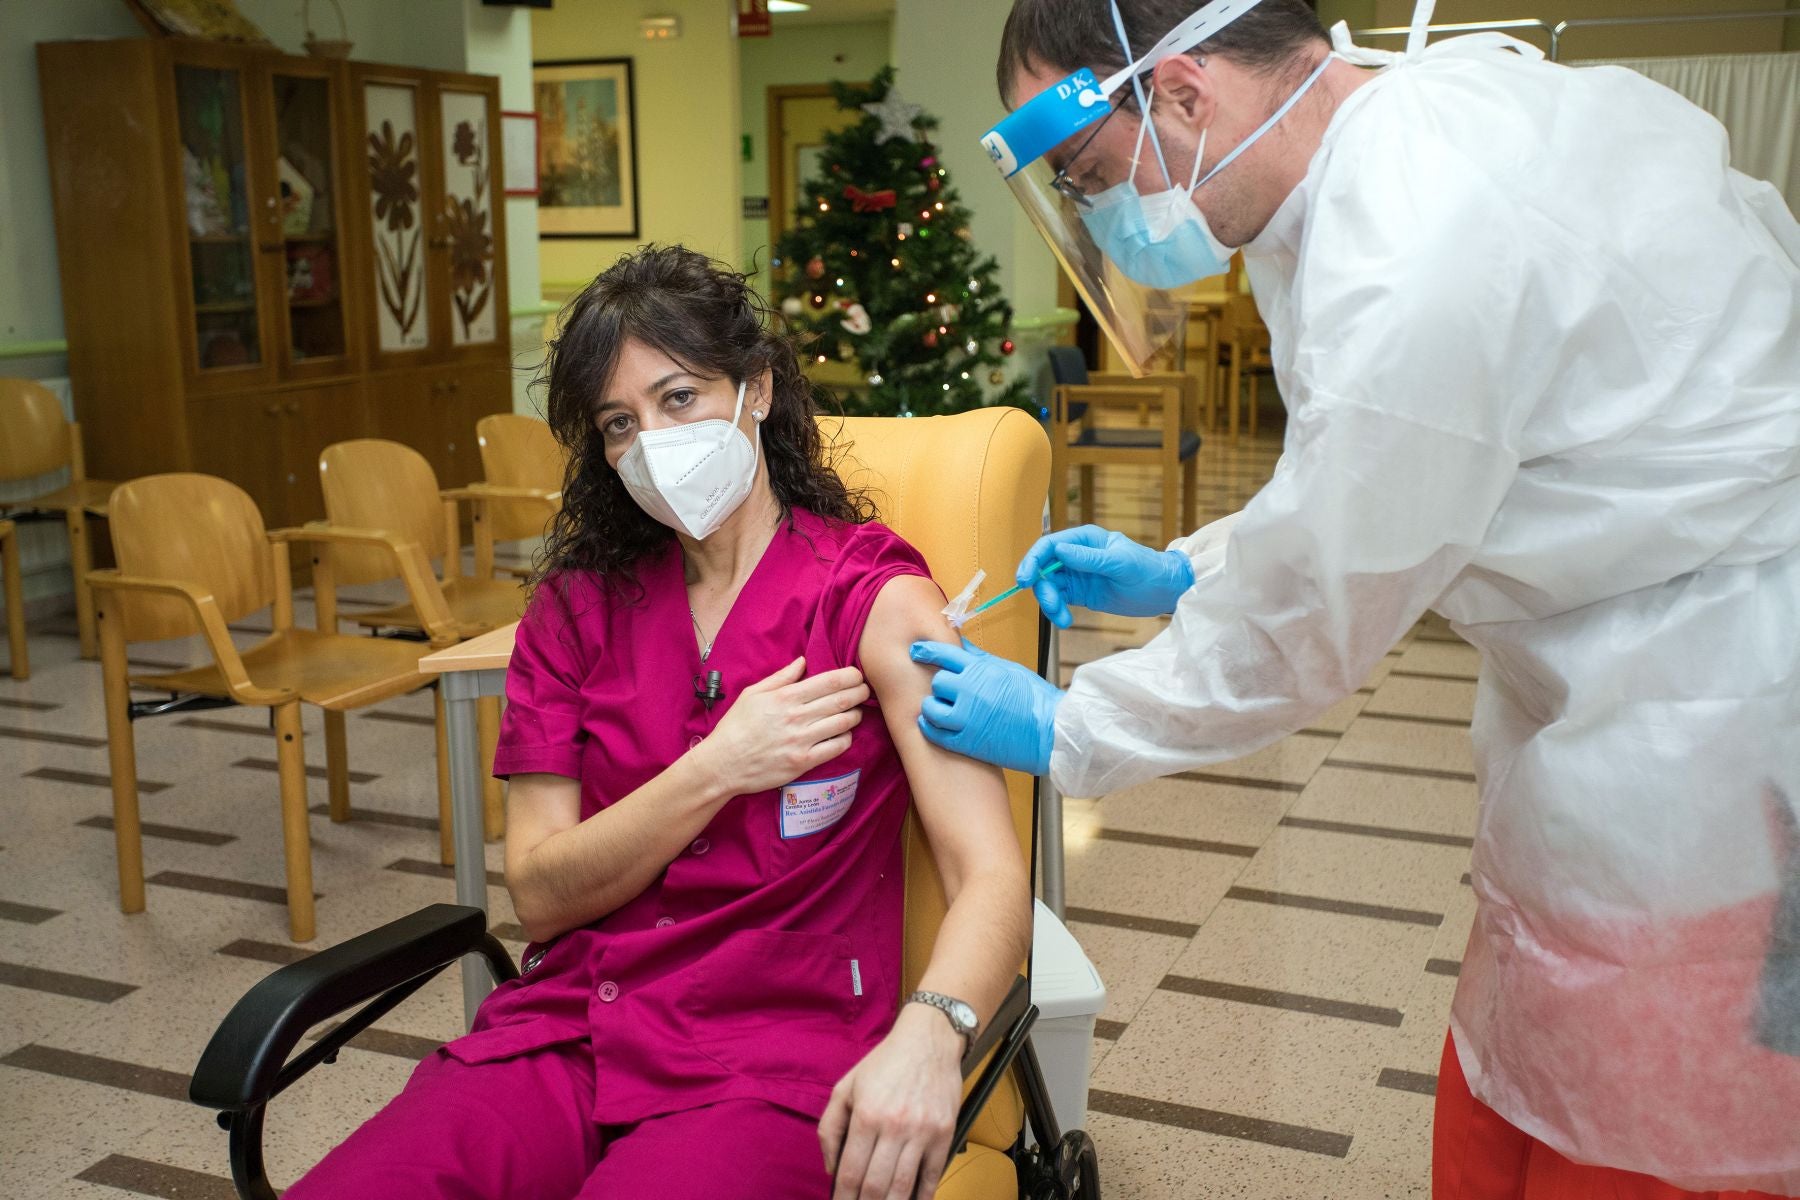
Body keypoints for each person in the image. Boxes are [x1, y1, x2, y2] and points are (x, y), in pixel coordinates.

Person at [913, 0, 1800, 1196]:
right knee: (1542, 1034)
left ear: (1182, 93)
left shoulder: (1415, 242)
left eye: (1088, 174)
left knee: (1655, 1110)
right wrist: (1192, 568)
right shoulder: (1377, 148)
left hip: (1721, 711)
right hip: (1622, 661)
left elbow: (1317, 614)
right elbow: (1378, 474)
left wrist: (1076, 726)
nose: (1098, 214)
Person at [289, 246, 1031, 1200]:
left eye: (679, 399)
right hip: (568, 1032)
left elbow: (992, 875)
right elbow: (544, 896)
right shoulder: (573, 612)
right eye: (618, 424)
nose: (652, 442)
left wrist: (934, 1029)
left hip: (765, 1062)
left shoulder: (874, 603)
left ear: (756, 389)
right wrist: (716, 768)